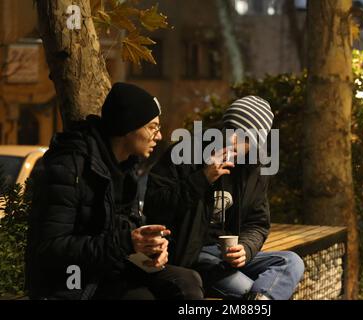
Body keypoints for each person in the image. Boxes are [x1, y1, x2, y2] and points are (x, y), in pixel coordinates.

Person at [25, 83, 203, 300]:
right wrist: (126, 243)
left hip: (112, 265)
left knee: (187, 282)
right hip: (75, 279)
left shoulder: (127, 167)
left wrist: (150, 247)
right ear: (128, 127)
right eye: (152, 127)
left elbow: (125, 227)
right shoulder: (70, 166)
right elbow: (50, 248)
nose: (158, 136)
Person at [145, 96, 304, 300]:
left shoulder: (256, 169)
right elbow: (155, 205)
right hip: (192, 255)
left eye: (244, 137)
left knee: (291, 261)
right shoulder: (185, 153)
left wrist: (245, 249)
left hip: (225, 255)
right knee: (248, 290)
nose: (232, 140)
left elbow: (258, 223)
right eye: (230, 130)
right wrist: (203, 178)